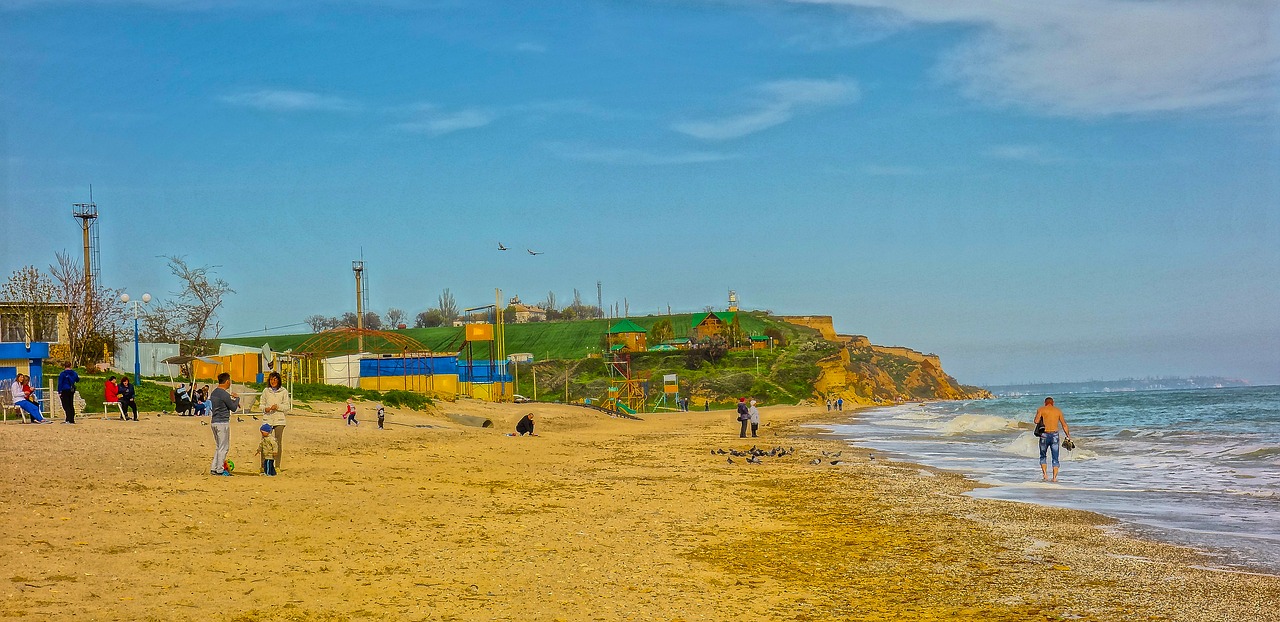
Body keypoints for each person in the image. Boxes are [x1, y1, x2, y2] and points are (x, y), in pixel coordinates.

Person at [1034, 397, 1072, 482]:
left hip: (1044, 435)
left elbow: (1036, 421)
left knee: (1043, 456)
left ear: (1045, 403)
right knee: (1055, 457)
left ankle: (1045, 475)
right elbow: (1064, 425)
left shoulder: (1041, 409)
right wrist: (1068, 435)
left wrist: (1041, 418)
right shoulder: (1058, 411)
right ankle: (1054, 478)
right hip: (1055, 435)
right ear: (1053, 403)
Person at [209, 372, 240, 476]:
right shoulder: (224, 394)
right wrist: (237, 398)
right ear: (227, 381)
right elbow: (233, 408)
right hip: (222, 422)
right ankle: (220, 469)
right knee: (224, 447)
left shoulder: (214, 393)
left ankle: (214, 467)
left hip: (214, 421)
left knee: (218, 446)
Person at [260, 372, 290, 469]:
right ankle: (263, 465)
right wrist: (265, 408)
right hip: (267, 419)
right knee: (265, 442)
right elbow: (261, 404)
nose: (273, 381)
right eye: (271, 379)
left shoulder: (283, 391)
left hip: (279, 420)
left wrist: (277, 407)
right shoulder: (266, 391)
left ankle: (276, 466)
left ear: (278, 380)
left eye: (275, 379)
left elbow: (287, 407)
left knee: (277, 443)